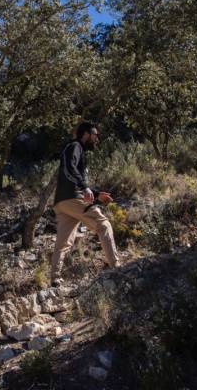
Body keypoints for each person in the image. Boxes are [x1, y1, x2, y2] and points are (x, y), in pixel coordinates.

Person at [50, 122, 121, 286]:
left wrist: (96, 194)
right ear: (87, 134)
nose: (97, 138)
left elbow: (71, 175)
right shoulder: (75, 146)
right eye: (95, 135)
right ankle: (116, 267)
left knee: (63, 242)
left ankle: (55, 280)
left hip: (62, 202)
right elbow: (70, 168)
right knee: (104, 225)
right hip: (72, 198)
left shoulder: (74, 148)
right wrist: (85, 188)